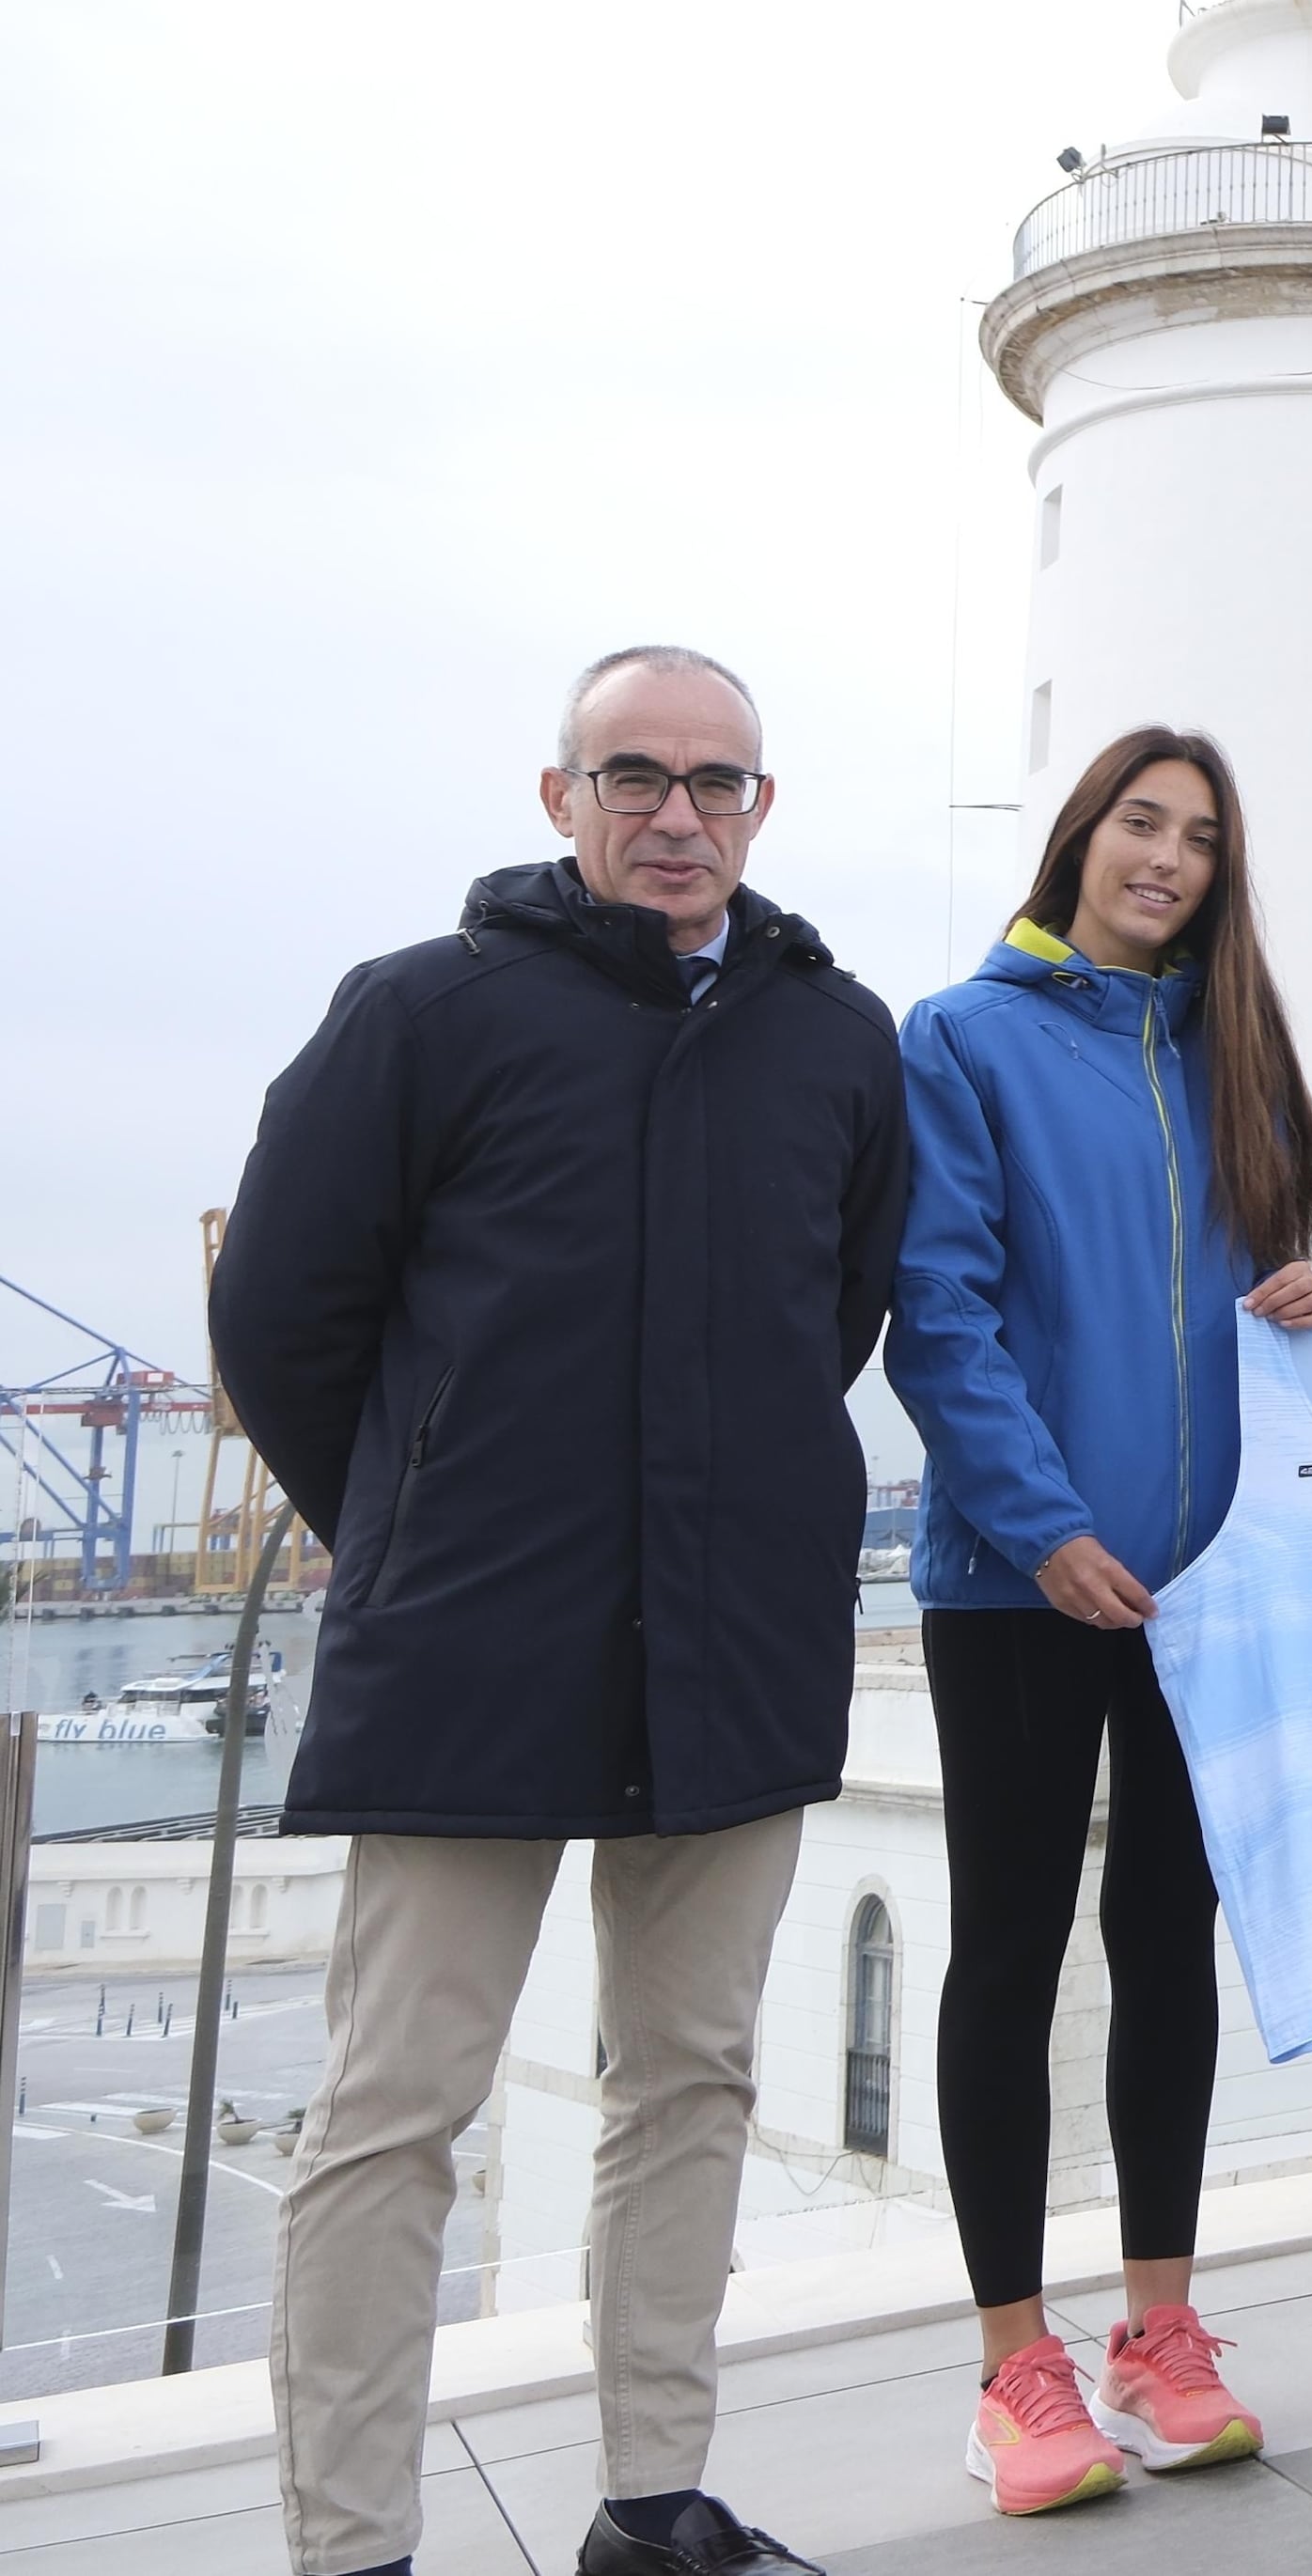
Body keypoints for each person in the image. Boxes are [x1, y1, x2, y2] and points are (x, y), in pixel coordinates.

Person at [215, 646, 907, 2576]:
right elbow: (281, 1307)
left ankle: (655, 2498)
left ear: (761, 805)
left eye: (719, 782)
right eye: (636, 775)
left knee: (690, 2075)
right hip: (473, 1634)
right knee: (393, 2110)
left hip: (734, 1630)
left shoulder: (836, 1034)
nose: (679, 814)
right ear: (559, 795)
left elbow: (828, 1312)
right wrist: (399, 1509)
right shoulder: (420, 1012)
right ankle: (351, 2546)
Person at [886, 732, 1312, 2517]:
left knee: (1169, 1939)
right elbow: (941, 1309)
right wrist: (1045, 1523)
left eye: (1202, 837)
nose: (1167, 857)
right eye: (1141, 823)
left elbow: (1245, 1316)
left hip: (1208, 1590)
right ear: (1080, 836)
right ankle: (1014, 2366)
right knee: (1008, 1950)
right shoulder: (963, 1037)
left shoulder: (1240, 1062)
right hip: (1018, 1585)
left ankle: (1162, 2330)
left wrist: (1306, 1304)